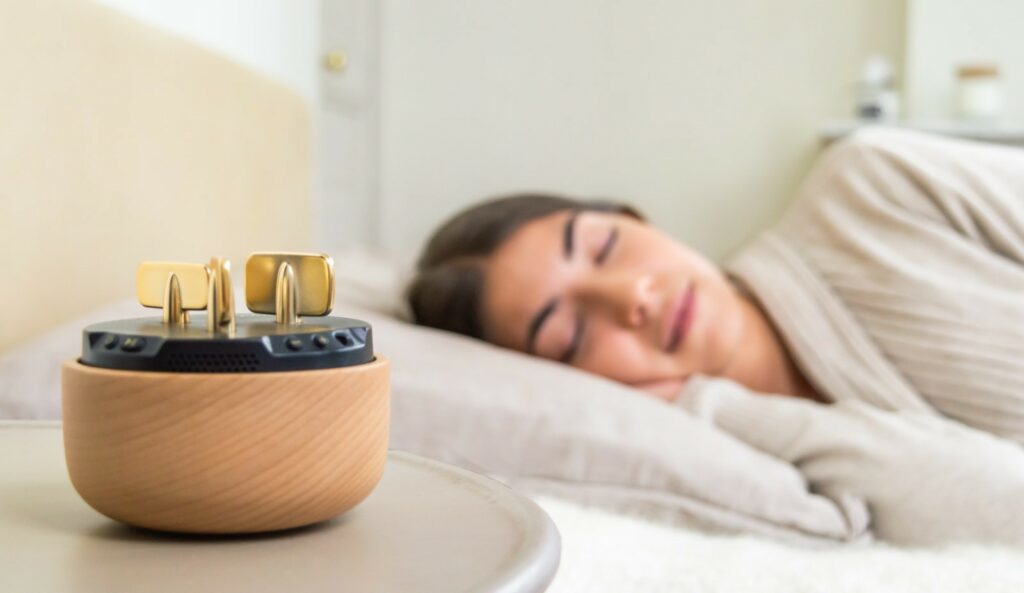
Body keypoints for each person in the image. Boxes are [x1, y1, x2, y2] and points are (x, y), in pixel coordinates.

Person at [407, 128, 1024, 445]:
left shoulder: (873, 185)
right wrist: (716, 409)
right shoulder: (749, 461)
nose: (631, 297)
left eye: (604, 246)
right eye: (570, 334)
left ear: (634, 216)